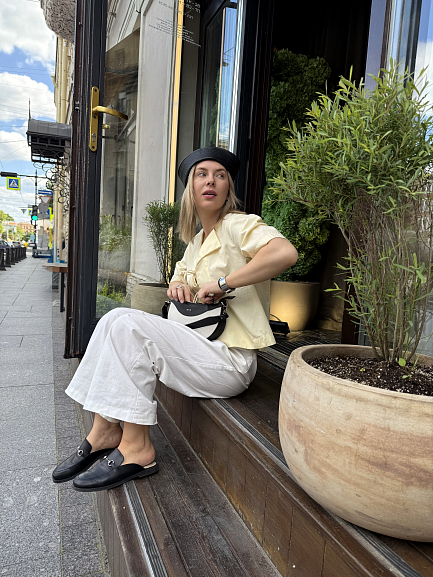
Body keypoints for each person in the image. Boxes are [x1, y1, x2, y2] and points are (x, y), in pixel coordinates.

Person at [52, 147, 298, 492]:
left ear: (228, 188)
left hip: (230, 360)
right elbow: (179, 278)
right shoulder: (195, 242)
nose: (211, 181)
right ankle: (103, 429)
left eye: (220, 176)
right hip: (200, 348)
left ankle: (137, 447)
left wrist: (224, 283)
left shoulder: (238, 225)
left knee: (129, 327)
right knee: (113, 319)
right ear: (190, 189)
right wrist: (178, 286)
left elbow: (284, 253)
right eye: (202, 175)